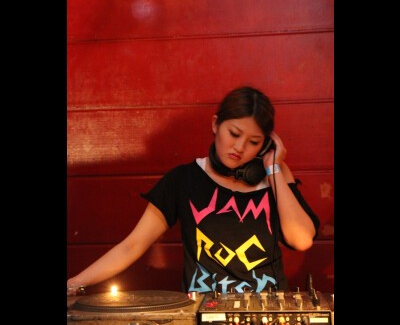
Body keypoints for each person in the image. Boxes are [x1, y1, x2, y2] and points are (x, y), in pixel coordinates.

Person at [67, 86, 320, 295]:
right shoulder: (182, 180)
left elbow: (300, 239)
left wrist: (273, 168)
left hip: (269, 316)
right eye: (234, 134)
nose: (240, 147)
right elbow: (132, 246)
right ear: (215, 125)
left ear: (266, 145)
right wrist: (72, 284)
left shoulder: (274, 175)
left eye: (254, 142)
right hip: (202, 317)